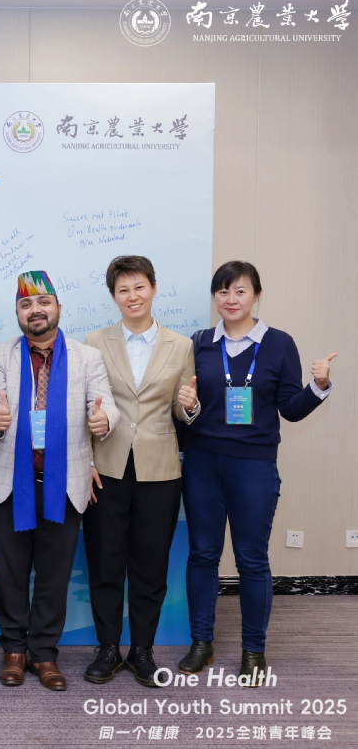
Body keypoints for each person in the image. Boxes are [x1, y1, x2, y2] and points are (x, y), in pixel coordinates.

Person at [177, 261, 335, 684]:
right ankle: (201, 643)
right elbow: (186, 411)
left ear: (256, 295)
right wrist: (188, 408)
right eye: (223, 291)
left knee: (251, 558)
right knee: (202, 554)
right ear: (215, 297)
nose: (231, 299)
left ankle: (254, 650)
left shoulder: (279, 344)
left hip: (254, 466)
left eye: (240, 291)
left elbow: (291, 410)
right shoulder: (198, 343)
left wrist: (318, 387)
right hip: (202, 463)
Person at [0, 270, 117, 691]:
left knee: (54, 577)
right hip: (10, 483)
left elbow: (106, 404)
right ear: (18, 313)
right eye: (26, 304)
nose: (35, 310)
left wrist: (104, 420)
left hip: (65, 483)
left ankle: (43, 654)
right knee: (9, 574)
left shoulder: (86, 356)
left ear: (58, 307)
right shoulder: (1, 353)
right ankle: (13, 651)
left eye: (43, 302)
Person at [82, 255, 198, 687]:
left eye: (139, 287)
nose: (132, 296)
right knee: (105, 562)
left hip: (160, 471)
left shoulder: (181, 346)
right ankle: (108, 649)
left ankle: (142, 651)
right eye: (123, 290)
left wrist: (190, 407)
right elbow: (85, 408)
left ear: (153, 288)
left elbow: (181, 408)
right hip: (106, 469)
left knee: (150, 565)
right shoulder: (94, 342)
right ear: (114, 296)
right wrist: (87, 461)